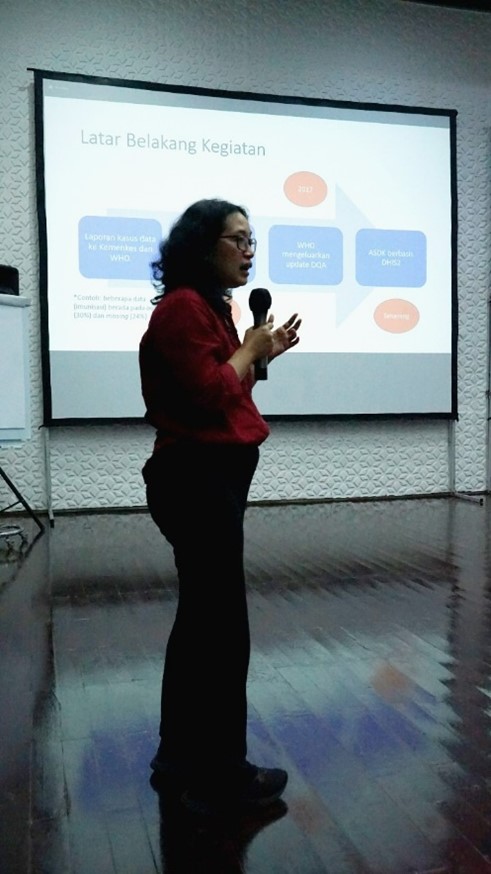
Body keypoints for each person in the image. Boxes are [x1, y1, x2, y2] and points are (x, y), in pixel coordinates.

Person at [139, 198, 301, 815]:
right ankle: (221, 776)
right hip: (196, 477)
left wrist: (259, 354)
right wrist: (246, 349)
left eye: (252, 239)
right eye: (237, 239)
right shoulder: (183, 308)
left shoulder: (211, 308)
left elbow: (227, 390)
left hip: (211, 476)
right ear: (203, 246)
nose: (249, 250)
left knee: (201, 627)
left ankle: (178, 759)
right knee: (222, 632)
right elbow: (209, 394)